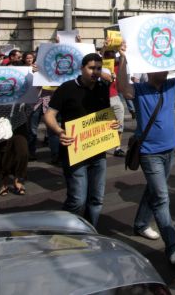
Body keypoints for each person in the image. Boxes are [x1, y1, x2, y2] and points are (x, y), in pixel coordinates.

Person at [117, 38, 175, 266]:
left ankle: (140, 224)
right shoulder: (140, 89)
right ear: (150, 70)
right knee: (162, 198)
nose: (166, 71)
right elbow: (122, 88)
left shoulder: (170, 85)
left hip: (169, 150)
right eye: (161, 68)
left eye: (167, 68)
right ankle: (172, 247)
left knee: (154, 191)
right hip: (149, 153)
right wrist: (123, 59)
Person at [43, 53, 117, 227]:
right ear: (81, 68)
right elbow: (49, 115)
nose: (95, 72)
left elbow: (105, 115)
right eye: (91, 68)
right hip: (74, 151)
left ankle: (89, 231)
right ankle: (66, 229)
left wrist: (112, 124)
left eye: (98, 68)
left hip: (98, 151)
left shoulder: (101, 88)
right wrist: (59, 132)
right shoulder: (66, 88)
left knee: (96, 199)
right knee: (77, 200)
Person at [0, 103, 30, 196]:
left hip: (18, 121)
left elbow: (30, 102)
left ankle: (18, 179)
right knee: (2, 153)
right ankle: (4, 182)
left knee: (22, 151)